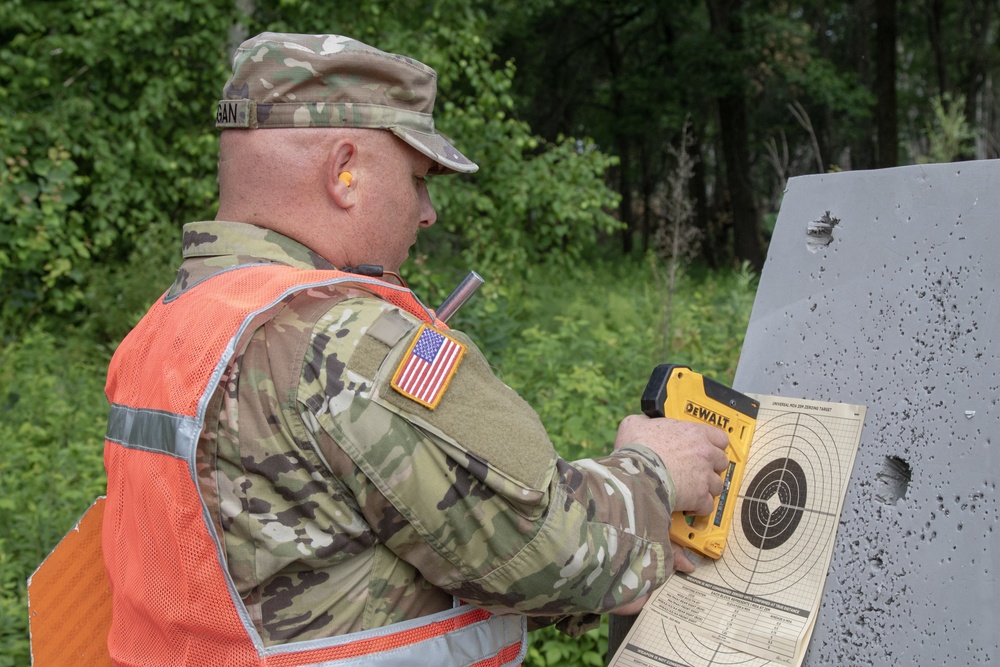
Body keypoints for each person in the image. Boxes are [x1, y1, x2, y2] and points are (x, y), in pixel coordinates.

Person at [101, 32, 729, 666]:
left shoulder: (170, 327)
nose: (426, 212)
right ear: (344, 172)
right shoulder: (344, 343)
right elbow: (548, 550)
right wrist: (653, 470)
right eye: (418, 178)